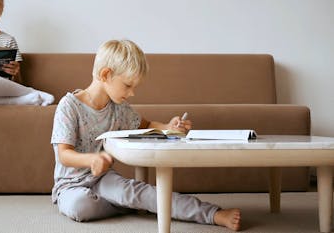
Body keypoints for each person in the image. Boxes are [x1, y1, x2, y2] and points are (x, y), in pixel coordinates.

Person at [50, 40, 241, 231]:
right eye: (127, 85)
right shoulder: (69, 106)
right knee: (81, 206)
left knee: (137, 192)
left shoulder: (119, 108)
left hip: (103, 180)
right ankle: (133, 205)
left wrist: (168, 127)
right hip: (70, 186)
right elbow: (64, 155)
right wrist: (91, 159)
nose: (132, 93)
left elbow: (147, 125)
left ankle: (212, 214)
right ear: (105, 75)